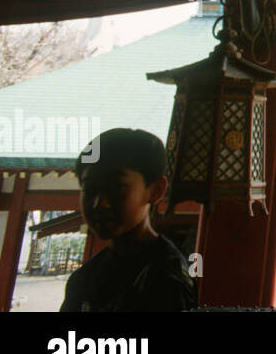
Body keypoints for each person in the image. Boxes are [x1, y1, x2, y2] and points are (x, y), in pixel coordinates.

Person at [60, 128, 197, 312]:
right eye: (90, 189)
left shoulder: (168, 280)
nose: (100, 203)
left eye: (116, 188)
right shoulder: (84, 278)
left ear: (155, 190)